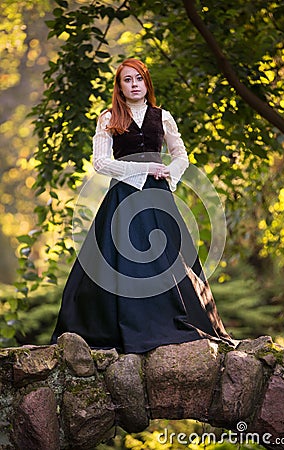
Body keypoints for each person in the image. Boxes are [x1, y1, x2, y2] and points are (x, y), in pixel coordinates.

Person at [51, 58, 234, 353]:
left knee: (170, 260)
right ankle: (115, 328)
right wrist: (144, 168)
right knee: (117, 261)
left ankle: (169, 322)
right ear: (119, 86)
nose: (134, 85)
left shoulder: (163, 116)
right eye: (127, 80)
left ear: (146, 83)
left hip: (159, 197)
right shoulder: (108, 118)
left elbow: (181, 156)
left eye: (139, 79)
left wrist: (167, 172)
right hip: (123, 198)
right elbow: (100, 163)